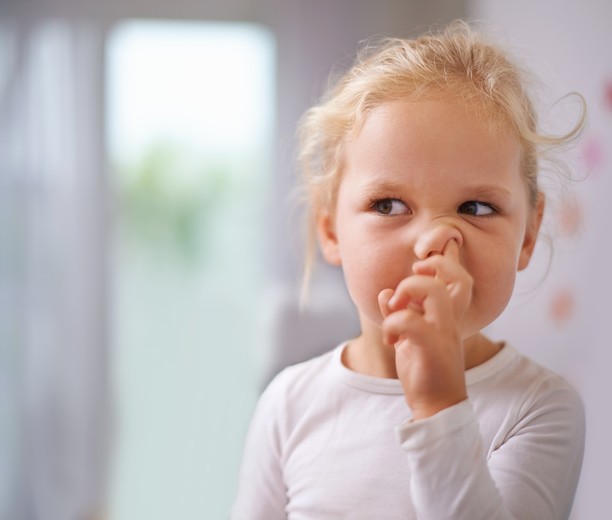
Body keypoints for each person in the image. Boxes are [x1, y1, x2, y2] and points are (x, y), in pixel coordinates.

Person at [232, 20, 586, 519]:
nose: (433, 240)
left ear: (527, 234)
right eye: (389, 204)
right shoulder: (289, 404)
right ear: (331, 229)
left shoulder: (539, 407)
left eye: (477, 208)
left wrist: (441, 407)